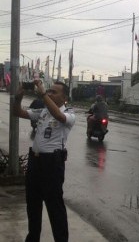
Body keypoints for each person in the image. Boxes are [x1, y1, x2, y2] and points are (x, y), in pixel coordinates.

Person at [13, 80, 75, 242]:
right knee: (32, 205)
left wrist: (42, 94)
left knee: (55, 207)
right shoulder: (43, 111)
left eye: (54, 92)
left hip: (52, 164)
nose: (49, 94)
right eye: (49, 91)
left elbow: (59, 116)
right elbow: (18, 112)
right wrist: (18, 98)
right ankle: (32, 238)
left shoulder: (69, 113)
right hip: (35, 162)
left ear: (64, 97)